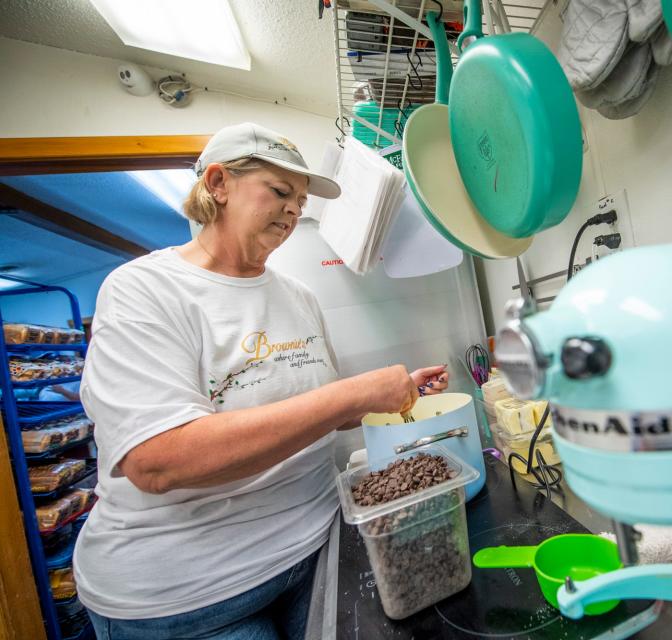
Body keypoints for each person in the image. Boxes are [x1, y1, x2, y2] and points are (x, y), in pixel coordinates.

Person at [75, 122, 449, 639]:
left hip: (315, 550)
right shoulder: (145, 290)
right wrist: (356, 391)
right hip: (189, 598)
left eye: (300, 200)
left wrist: (389, 393)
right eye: (279, 192)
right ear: (218, 184)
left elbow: (317, 413)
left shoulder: (298, 297)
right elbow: (157, 459)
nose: (295, 210)